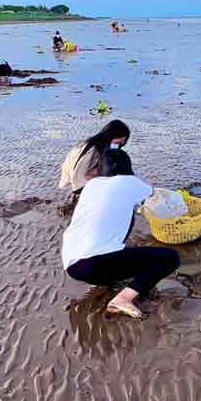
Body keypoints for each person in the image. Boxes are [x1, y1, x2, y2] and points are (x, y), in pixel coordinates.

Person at [62, 149, 180, 319]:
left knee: (120, 245)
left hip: (72, 266)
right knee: (170, 258)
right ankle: (123, 299)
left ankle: (113, 282)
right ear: (127, 167)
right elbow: (157, 198)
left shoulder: (91, 186)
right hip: (94, 263)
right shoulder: (129, 182)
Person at [59, 119, 131, 194]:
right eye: (117, 143)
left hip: (75, 181)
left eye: (123, 143)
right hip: (78, 185)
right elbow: (78, 176)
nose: (119, 146)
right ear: (108, 137)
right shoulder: (91, 151)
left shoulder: (94, 144)